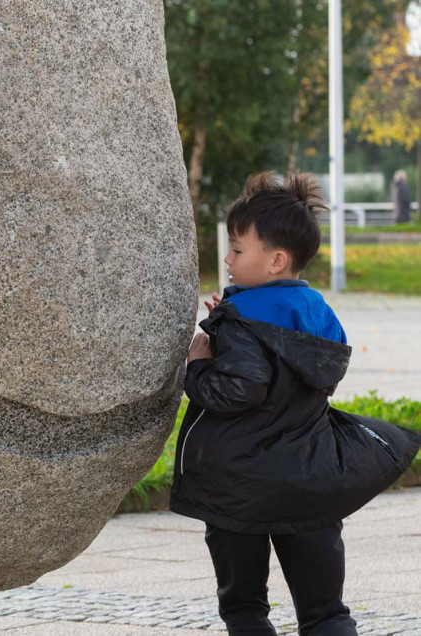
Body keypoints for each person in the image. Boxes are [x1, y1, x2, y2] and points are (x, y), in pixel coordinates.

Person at [171, 172, 421, 636]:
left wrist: (201, 362)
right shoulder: (317, 315)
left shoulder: (245, 323)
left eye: (238, 249)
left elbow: (239, 389)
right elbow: (282, 364)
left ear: (275, 260)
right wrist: (229, 325)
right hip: (310, 483)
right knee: (325, 612)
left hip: (239, 490)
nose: (227, 258)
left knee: (245, 608)